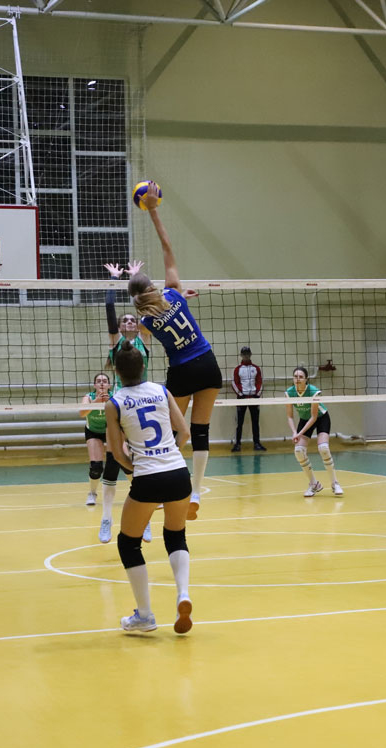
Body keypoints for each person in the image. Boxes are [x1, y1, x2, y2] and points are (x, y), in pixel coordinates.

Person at [129, 182, 221, 521]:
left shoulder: (145, 323)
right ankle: (196, 491)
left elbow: (138, 327)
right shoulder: (175, 293)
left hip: (181, 371)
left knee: (169, 434)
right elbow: (167, 246)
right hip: (208, 363)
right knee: (201, 431)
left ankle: (167, 490)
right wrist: (153, 209)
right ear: (153, 286)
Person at [105, 347, 195, 634]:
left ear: (116, 371)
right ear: (143, 366)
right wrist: (168, 456)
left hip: (147, 477)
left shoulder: (114, 403)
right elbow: (185, 432)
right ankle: (183, 594)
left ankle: (145, 615)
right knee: (175, 535)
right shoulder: (161, 390)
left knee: (128, 543)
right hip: (179, 472)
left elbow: (116, 452)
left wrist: (136, 468)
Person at [286, 366, 343, 497]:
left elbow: (314, 417)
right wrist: (294, 432)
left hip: (320, 418)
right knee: (298, 451)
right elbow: (289, 416)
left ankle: (335, 483)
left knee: (323, 448)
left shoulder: (313, 391)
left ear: (306, 379)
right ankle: (314, 484)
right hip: (304, 419)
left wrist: (299, 433)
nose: (298, 379)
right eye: (295, 377)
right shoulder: (290, 393)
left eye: (301, 377)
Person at [80, 373, 111, 506]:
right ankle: (92, 493)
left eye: (104, 381)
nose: (102, 383)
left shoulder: (115, 397)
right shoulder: (88, 397)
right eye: (98, 381)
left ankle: (140, 491)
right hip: (93, 431)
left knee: (125, 461)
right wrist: (96, 402)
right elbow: (82, 413)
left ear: (109, 385)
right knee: (96, 467)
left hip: (111, 430)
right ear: (94, 385)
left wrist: (111, 403)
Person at [231, 346, 266, 452]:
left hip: (254, 399)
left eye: (247, 354)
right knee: (239, 422)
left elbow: (260, 382)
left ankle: (257, 443)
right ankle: (237, 444)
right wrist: (241, 394)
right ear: (241, 355)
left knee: (255, 422)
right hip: (241, 399)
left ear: (250, 354)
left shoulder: (256, 368)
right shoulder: (237, 369)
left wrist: (257, 394)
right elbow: (234, 382)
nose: (246, 356)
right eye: (244, 354)